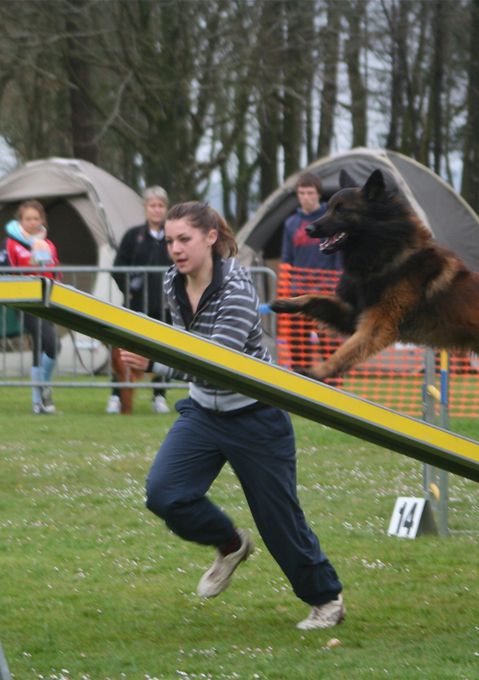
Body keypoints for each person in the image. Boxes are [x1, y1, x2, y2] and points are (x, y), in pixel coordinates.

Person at [119, 201, 345, 630]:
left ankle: (326, 599)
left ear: (209, 237)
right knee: (164, 494)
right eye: (169, 241)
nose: (175, 249)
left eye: (184, 239)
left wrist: (154, 364)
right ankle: (230, 543)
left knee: (279, 521)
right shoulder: (172, 281)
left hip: (256, 414)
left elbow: (216, 360)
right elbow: (187, 345)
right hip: (203, 410)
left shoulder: (238, 288)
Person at [108, 186, 173, 415]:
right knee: (124, 353)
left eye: (160, 205)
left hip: (165, 306)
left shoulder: (173, 237)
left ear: (166, 208)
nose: (156, 210)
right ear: (145, 208)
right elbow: (117, 269)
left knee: (164, 351)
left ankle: (159, 396)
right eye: (152, 205)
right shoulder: (132, 236)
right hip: (135, 307)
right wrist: (129, 290)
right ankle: (117, 396)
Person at [280, 172, 343, 377]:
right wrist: (286, 289)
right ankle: (301, 388)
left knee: (330, 346)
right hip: (299, 294)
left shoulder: (331, 220)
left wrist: (336, 286)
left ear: (318, 194)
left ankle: (335, 388)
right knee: (298, 347)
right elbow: (287, 260)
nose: (305, 197)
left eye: (310, 192)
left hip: (325, 293)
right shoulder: (291, 224)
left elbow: (339, 255)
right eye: (301, 193)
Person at [1, 200, 60, 415]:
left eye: (36, 218)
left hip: (48, 300)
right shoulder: (10, 243)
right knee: (50, 343)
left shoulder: (48, 244)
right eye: (28, 218)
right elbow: (3, 271)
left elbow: (56, 272)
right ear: (20, 221)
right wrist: (29, 267)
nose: (32, 222)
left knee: (45, 347)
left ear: (42, 220)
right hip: (26, 302)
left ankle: (39, 398)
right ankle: (42, 392)